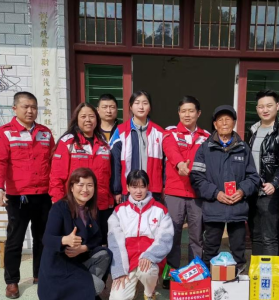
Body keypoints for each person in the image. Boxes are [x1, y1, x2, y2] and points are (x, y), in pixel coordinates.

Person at [0, 91, 54, 299]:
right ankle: (12, 282)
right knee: (15, 240)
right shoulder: (5, 133)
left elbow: (53, 163)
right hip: (18, 197)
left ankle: (40, 275)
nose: (30, 111)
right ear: (14, 108)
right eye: (25, 106)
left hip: (43, 195)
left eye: (33, 107)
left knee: (42, 239)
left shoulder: (45, 133)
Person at [190, 105, 260, 273]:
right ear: (215, 124)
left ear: (234, 122)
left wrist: (242, 191)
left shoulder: (243, 148)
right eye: (220, 120)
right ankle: (208, 280)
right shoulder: (205, 148)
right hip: (214, 206)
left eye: (228, 119)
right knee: (210, 247)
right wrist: (216, 193)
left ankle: (238, 278)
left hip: (237, 207)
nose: (224, 123)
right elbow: (196, 178)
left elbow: (253, 177)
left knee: (238, 248)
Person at [38, 168, 112, 300]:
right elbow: (47, 238)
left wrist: (83, 248)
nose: (85, 189)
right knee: (98, 286)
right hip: (59, 267)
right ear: (71, 187)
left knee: (105, 254)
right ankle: (85, 295)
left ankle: (89, 295)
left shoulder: (91, 209)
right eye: (80, 184)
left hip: (78, 261)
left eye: (90, 185)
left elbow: (98, 237)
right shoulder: (59, 208)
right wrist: (65, 240)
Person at [108, 170, 174, 300]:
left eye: (142, 187)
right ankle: (136, 284)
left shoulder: (160, 210)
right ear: (127, 187)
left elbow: (166, 238)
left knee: (147, 271)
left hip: (149, 260)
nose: (138, 191)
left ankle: (149, 294)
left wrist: (150, 255)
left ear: (148, 187)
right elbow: (114, 243)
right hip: (128, 261)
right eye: (134, 187)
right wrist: (119, 270)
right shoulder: (119, 211)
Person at [162, 96, 210, 284]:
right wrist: (180, 164)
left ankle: (194, 273)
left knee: (196, 237)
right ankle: (170, 274)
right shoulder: (171, 132)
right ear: (178, 113)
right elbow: (170, 150)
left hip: (197, 193)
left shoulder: (206, 136)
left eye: (191, 111)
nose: (187, 114)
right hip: (175, 192)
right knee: (172, 235)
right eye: (183, 111)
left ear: (199, 113)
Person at [49, 102, 113, 244]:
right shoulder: (68, 143)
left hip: (100, 205)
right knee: (76, 244)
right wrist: (59, 204)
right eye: (83, 116)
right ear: (76, 119)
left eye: (91, 116)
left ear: (97, 119)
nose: (88, 120)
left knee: (98, 244)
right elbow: (56, 176)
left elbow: (107, 176)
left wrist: (109, 201)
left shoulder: (104, 144)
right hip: (75, 207)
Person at [247, 90, 279, 277]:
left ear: (277, 107)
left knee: (269, 237)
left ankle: (271, 279)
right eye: (261, 106)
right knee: (255, 235)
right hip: (252, 191)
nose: (264, 110)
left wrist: (274, 183)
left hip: (270, 192)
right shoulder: (252, 130)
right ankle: (258, 276)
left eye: (269, 106)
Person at [110, 91, 165, 204]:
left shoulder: (159, 132)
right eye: (137, 103)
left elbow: (165, 163)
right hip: (129, 190)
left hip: (153, 190)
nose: (141, 106)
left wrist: (165, 186)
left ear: (150, 107)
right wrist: (116, 190)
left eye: (145, 103)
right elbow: (115, 162)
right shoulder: (120, 131)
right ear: (130, 106)